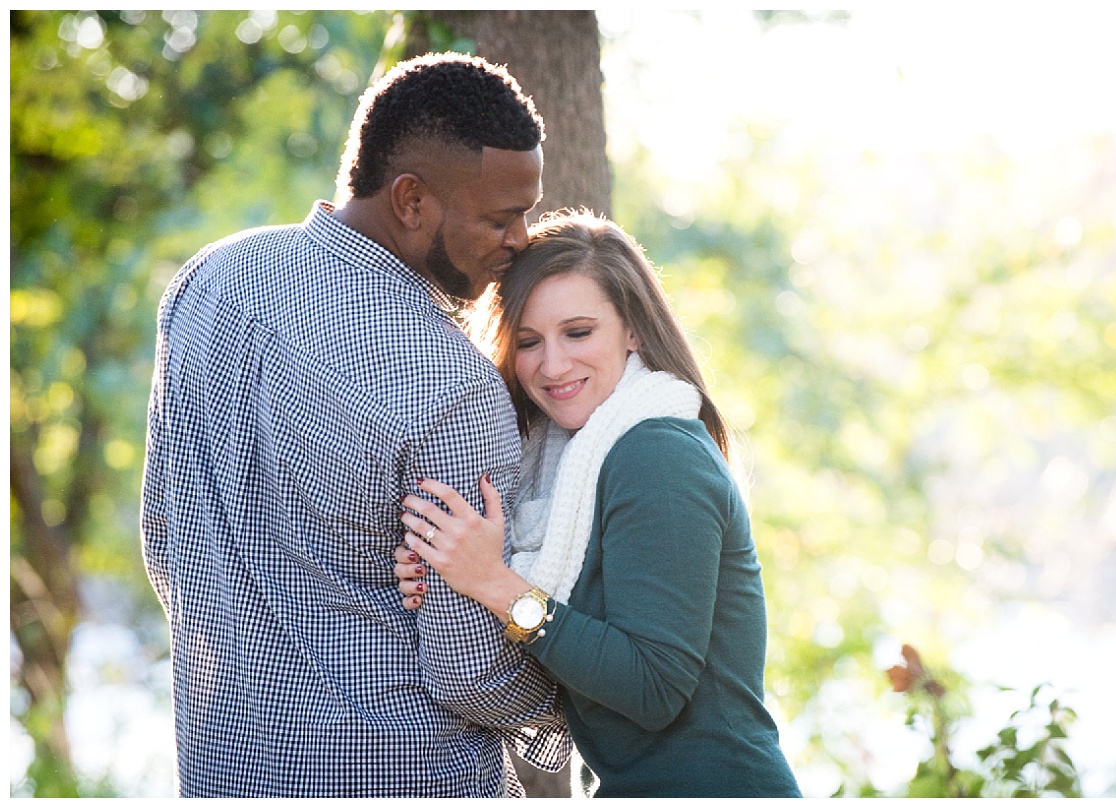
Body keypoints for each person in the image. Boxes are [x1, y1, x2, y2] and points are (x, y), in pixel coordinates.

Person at [139, 52, 570, 797]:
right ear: (411, 200)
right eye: (500, 218)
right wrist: (587, 699)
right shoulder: (454, 389)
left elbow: (165, 536)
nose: (522, 240)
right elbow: (468, 671)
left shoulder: (209, 279)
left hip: (222, 769)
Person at [392, 211, 802, 798]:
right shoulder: (567, 464)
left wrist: (495, 583)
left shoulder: (657, 456)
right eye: (529, 342)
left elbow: (653, 689)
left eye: (578, 332)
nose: (552, 366)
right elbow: (576, 649)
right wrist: (449, 573)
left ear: (632, 329)